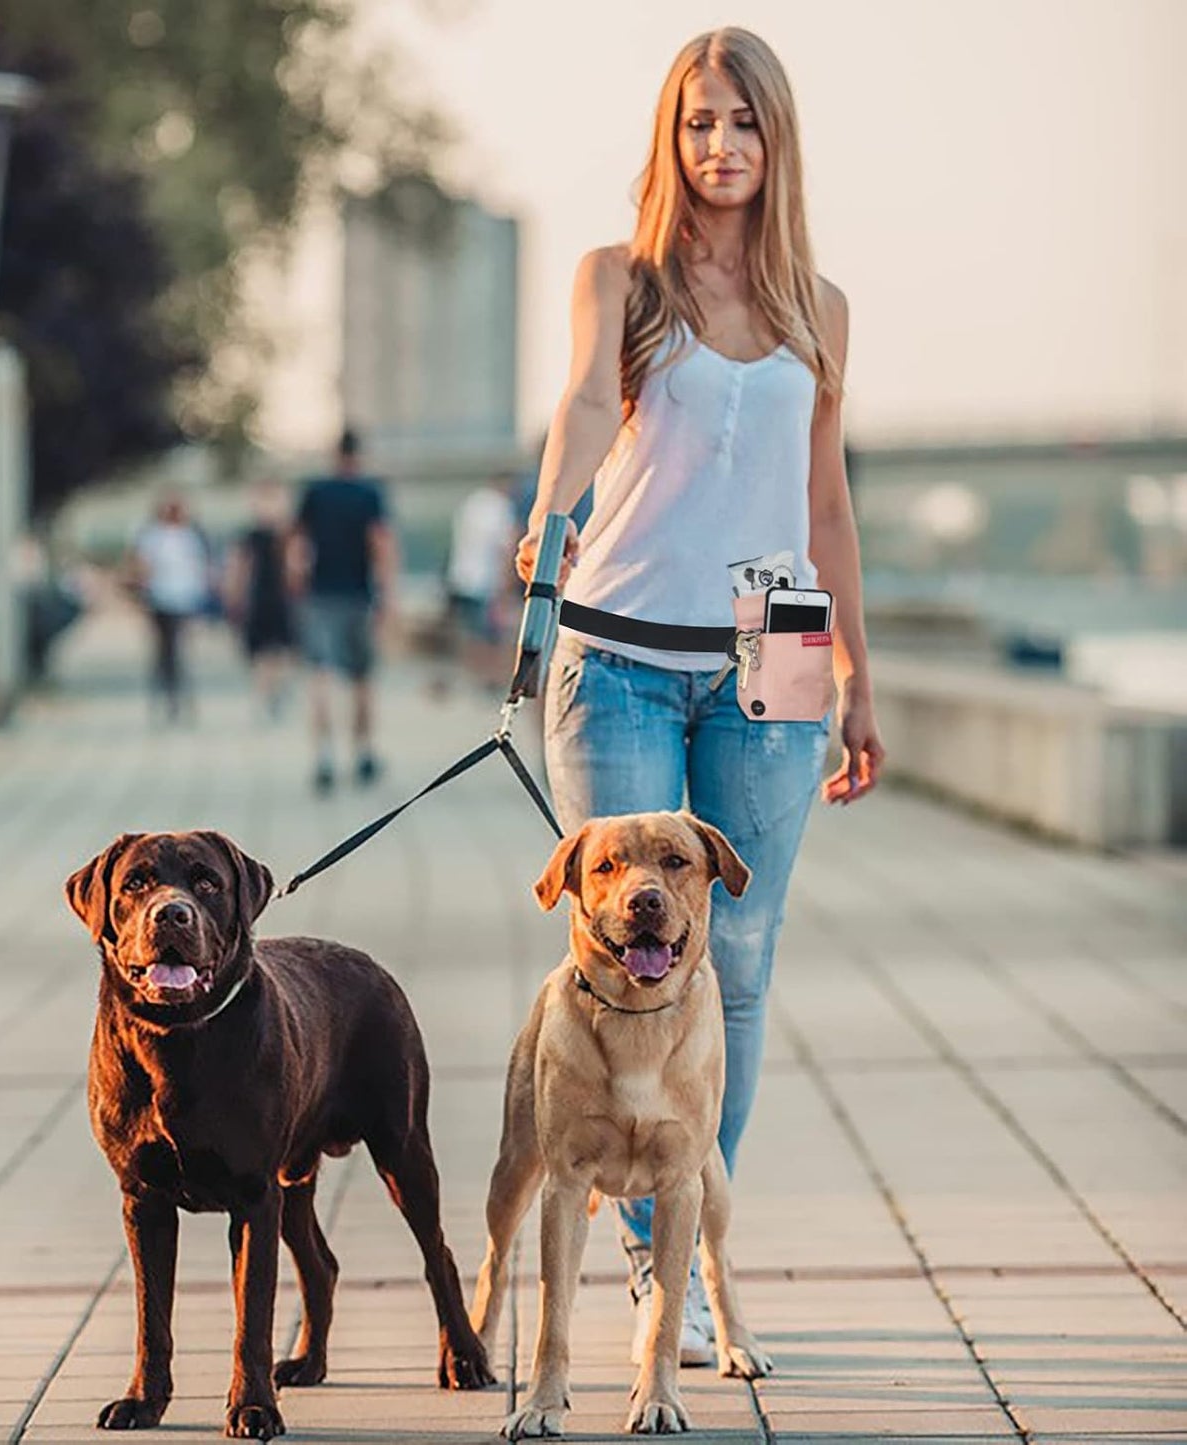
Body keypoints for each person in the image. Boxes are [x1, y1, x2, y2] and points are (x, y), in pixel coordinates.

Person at [515, 28, 886, 1367]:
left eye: (743, 123)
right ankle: (638, 1253)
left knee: (733, 965)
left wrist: (854, 672)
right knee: (622, 945)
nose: (720, 146)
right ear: (667, 141)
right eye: (697, 123)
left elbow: (825, 500)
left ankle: (676, 1238)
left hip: (773, 651)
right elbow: (572, 409)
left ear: (776, 142)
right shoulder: (618, 279)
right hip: (612, 643)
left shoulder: (817, 306)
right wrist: (548, 527)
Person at [290, 427, 397, 792]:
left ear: (333, 454)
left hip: (321, 594)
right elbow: (380, 544)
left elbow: (298, 545)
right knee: (362, 678)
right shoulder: (370, 493)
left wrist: (297, 582)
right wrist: (387, 594)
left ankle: (323, 757)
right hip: (359, 595)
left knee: (320, 675)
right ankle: (363, 753)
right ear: (359, 454)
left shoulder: (315, 492)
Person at [128, 493, 213, 723]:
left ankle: (180, 699)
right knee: (163, 652)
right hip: (160, 598)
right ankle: (165, 697)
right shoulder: (152, 536)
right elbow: (141, 567)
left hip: (185, 599)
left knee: (180, 651)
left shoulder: (192, 535)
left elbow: (202, 567)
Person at [223, 476, 297, 719]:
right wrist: (234, 597)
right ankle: (265, 695)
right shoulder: (251, 537)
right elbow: (238, 568)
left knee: (281, 652)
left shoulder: (287, 535)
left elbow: (296, 567)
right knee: (262, 654)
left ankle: (274, 692)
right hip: (259, 599)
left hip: (280, 598)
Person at [441, 471, 518, 693]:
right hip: (487, 580)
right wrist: (507, 582)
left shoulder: (472, 503)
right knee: (494, 633)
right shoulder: (502, 508)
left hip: (462, 577)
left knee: (472, 631)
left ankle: (477, 676)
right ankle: (492, 679)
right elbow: (506, 548)